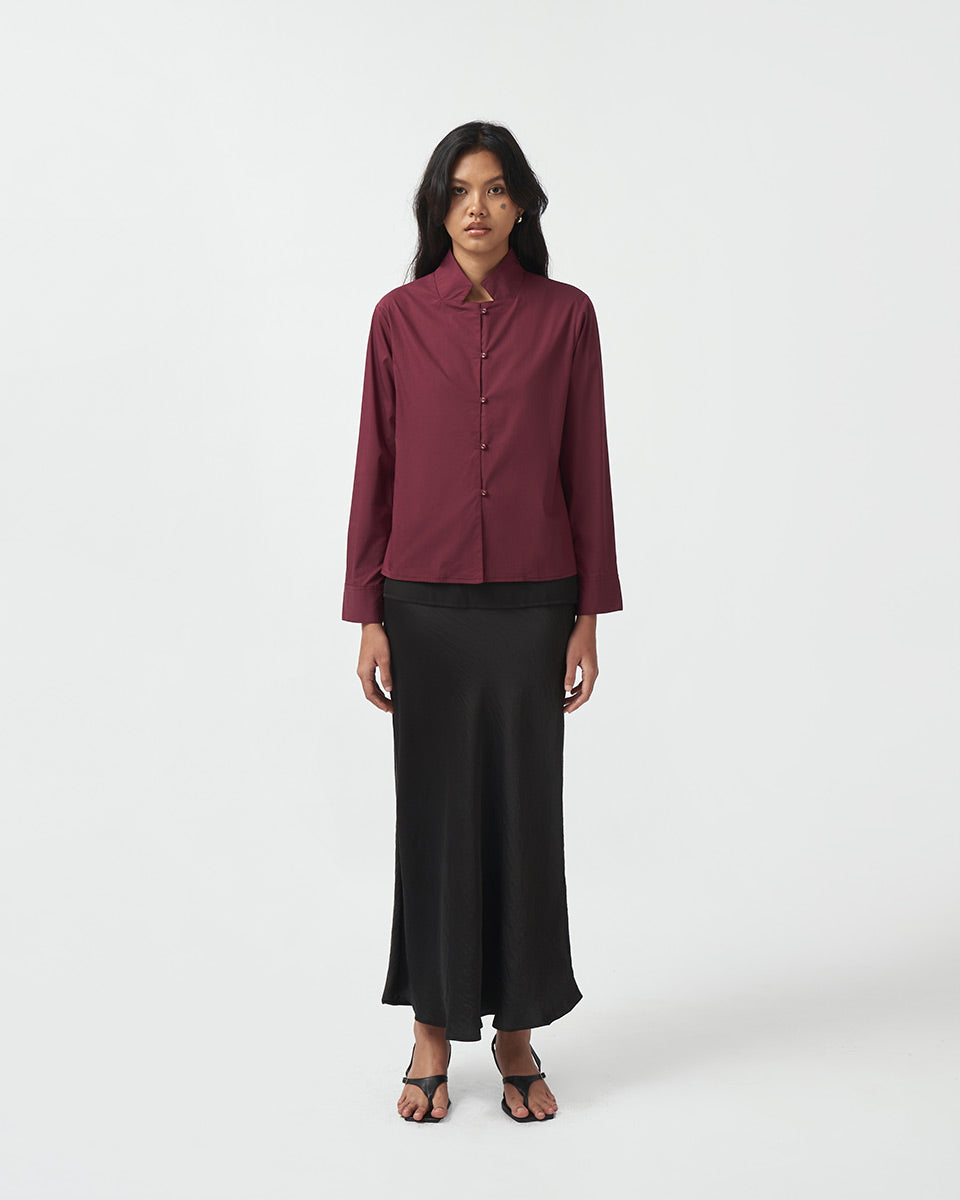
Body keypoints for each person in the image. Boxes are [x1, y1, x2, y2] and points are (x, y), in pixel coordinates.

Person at [341, 120, 623, 1123]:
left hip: (534, 603)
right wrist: (367, 612)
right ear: (436, 206)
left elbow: (587, 464)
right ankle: (430, 1030)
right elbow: (374, 465)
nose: (477, 207)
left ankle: (517, 1032)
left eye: (497, 189)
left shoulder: (567, 316)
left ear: (522, 206)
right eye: (460, 190)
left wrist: (589, 612)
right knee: (432, 820)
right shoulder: (396, 319)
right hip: (421, 604)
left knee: (525, 819)